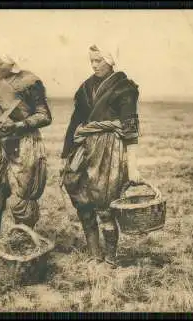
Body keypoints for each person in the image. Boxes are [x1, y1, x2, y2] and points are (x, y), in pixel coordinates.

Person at [60, 44, 143, 267]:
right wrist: (66, 152)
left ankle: (110, 258)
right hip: (84, 146)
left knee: (105, 204)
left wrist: (132, 165)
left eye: (99, 60)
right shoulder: (86, 87)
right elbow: (76, 120)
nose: (94, 65)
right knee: (81, 198)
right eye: (92, 61)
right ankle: (94, 253)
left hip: (108, 150)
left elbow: (130, 128)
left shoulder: (125, 87)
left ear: (110, 60)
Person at [0, 49, 52, 239]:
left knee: (23, 195)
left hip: (24, 142)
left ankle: (25, 244)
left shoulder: (31, 82)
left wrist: (18, 125)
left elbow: (44, 115)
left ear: (10, 59)